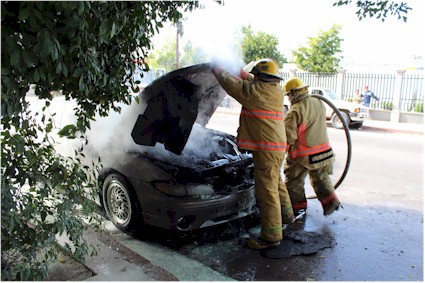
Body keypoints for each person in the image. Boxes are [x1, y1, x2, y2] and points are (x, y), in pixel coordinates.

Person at [212, 59, 294, 250]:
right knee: (276, 183)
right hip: (275, 148)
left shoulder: (254, 93)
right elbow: (249, 81)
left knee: (267, 192)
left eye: (256, 75)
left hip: (266, 150)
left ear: (260, 77)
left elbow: (233, 86)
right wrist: (241, 72)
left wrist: (217, 68)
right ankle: (287, 215)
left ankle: (271, 236)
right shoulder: (274, 89)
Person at [283, 77, 341, 217]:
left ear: (292, 93)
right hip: (325, 152)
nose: (288, 99)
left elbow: (288, 137)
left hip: (304, 156)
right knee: (321, 178)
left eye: (288, 95)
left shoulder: (294, 111)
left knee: (293, 182)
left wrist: (279, 154)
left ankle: (298, 208)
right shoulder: (318, 102)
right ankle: (331, 203)